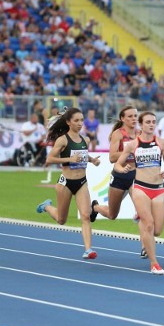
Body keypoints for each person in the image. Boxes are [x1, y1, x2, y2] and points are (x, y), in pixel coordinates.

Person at [36, 107, 101, 259]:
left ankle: (88, 249)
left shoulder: (85, 139)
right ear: (68, 122)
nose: (80, 123)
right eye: (76, 120)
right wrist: (69, 160)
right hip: (65, 183)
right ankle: (46, 205)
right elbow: (49, 159)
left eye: (81, 120)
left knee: (85, 215)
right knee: (61, 220)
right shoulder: (63, 140)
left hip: (81, 182)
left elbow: (83, 155)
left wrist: (92, 160)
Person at [116, 111, 164, 274]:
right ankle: (154, 263)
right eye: (147, 122)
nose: (151, 124)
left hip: (158, 189)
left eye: (153, 121)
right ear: (141, 124)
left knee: (158, 230)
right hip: (140, 188)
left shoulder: (162, 143)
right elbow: (117, 165)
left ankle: (141, 216)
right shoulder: (133, 145)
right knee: (149, 225)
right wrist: (123, 168)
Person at [90, 105, 138, 225]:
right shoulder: (118, 134)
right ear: (122, 118)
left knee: (142, 210)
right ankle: (95, 207)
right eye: (130, 116)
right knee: (112, 215)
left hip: (136, 176)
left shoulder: (140, 134)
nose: (134, 119)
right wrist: (129, 151)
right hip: (120, 176)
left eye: (135, 116)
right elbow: (112, 157)